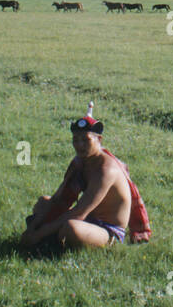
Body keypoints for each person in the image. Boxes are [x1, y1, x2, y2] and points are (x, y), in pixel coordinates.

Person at [21, 104, 148, 248]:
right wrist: (33, 228)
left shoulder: (107, 170)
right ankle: (49, 239)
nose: (79, 145)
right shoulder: (79, 163)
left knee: (70, 228)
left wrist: (39, 233)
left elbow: (79, 212)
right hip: (88, 220)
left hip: (107, 230)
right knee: (43, 203)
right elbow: (57, 199)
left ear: (99, 140)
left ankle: (49, 242)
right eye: (75, 140)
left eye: (85, 140)